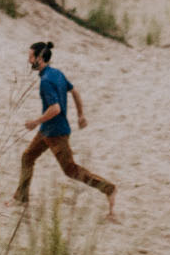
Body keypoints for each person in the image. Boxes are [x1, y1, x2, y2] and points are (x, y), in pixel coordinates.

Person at [11, 40, 117, 220]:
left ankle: (109, 189)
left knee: (70, 170)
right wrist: (80, 115)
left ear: (40, 58)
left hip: (56, 133)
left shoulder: (45, 81)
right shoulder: (57, 73)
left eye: (31, 57)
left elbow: (55, 109)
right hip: (47, 131)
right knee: (27, 157)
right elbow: (75, 92)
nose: (29, 61)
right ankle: (21, 198)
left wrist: (35, 122)